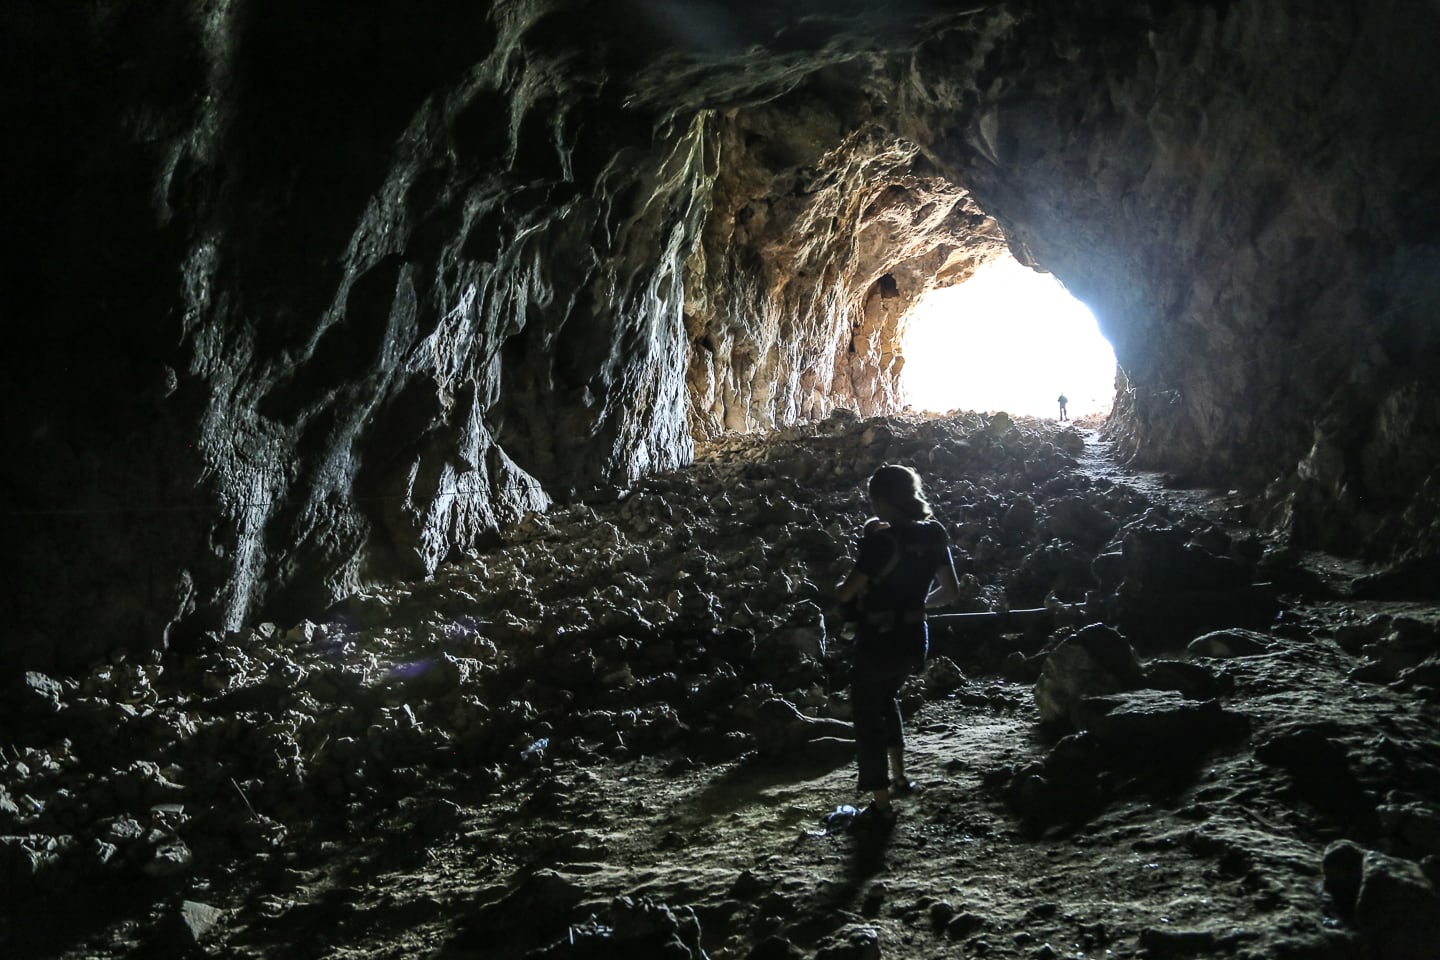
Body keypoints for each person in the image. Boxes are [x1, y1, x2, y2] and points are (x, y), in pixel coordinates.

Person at [835, 464, 961, 825]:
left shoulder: (881, 542)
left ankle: (880, 804)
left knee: (866, 715)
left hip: (878, 641)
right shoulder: (935, 534)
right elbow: (951, 592)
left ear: (882, 500)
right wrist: (916, 606)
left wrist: (842, 595)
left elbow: (847, 592)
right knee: (886, 699)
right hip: (914, 640)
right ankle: (900, 778)